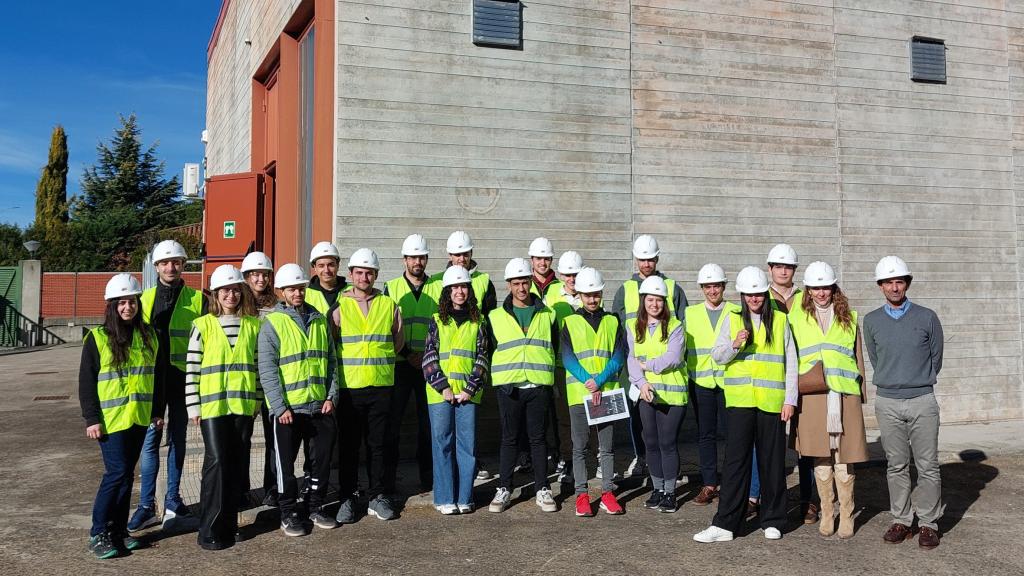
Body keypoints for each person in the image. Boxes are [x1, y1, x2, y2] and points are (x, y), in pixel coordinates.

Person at [694, 266, 797, 543]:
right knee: (735, 464)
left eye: (758, 294)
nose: (754, 299)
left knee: (772, 462)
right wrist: (735, 345)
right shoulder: (732, 319)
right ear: (742, 295)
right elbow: (718, 356)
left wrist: (790, 399)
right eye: (749, 294)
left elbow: (791, 362)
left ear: (765, 294)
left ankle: (773, 519)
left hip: (772, 403)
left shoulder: (780, 320)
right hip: (740, 402)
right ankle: (726, 524)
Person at [863, 256, 944, 549]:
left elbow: (936, 359)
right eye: (888, 282)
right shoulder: (871, 321)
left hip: (922, 400)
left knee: (928, 465)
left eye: (899, 281)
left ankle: (928, 524)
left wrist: (915, 380)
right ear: (880, 286)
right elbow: (875, 358)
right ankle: (901, 519)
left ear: (906, 283)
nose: (894, 287)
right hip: (888, 402)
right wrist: (894, 379)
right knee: (896, 465)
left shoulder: (927, 317)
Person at [80, 274, 163, 559]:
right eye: (122, 302)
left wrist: (157, 412)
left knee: (127, 476)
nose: (128, 307)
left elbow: (157, 377)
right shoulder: (98, 338)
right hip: (110, 420)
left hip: (139, 417)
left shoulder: (149, 335)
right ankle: (98, 532)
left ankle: (118, 531)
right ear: (112, 305)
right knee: (115, 474)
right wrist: (92, 419)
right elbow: (87, 382)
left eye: (132, 301)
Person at [128, 240, 205, 533]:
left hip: (183, 380)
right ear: (157, 266)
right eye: (165, 263)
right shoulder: (143, 300)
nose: (171, 267)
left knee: (178, 440)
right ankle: (146, 505)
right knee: (150, 443)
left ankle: (172, 498)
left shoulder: (198, 300)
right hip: (152, 384)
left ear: (183, 265)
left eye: (176, 262)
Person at [788, 261, 869, 539]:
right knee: (820, 453)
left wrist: (862, 393)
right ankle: (826, 511)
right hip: (813, 393)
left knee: (844, 456)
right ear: (808, 290)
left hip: (844, 393)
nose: (821, 293)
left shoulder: (850, 316)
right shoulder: (796, 316)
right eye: (815, 288)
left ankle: (846, 514)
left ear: (834, 288)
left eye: (826, 287)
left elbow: (858, 357)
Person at [258, 263, 339, 537]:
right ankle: (288, 512)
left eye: (301, 288)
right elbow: (267, 370)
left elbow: (331, 360)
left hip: (319, 406)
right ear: (281, 291)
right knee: (286, 466)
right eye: (292, 288)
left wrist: (332, 395)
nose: (298, 293)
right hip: (288, 411)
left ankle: (315, 506)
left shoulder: (318, 318)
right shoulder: (272, 323)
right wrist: (279, 407)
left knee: (320, 462)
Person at [185, 265, 263, 550]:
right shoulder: (202, 324)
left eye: (234, 290)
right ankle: (209, 528)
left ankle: (230, 524)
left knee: (236, 465)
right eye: (225, 291)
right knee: (216, 462)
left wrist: (256, 401)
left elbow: (256, 366)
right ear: (216, 294)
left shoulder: (253, 325)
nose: (230, 295)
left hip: (242, 406)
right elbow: (192, 368)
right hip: (212, 407)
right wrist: (193, 406)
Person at [333, 248, 404, 523]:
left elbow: (397, 342)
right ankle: (348, 498)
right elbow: (333, 345)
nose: (364, 277)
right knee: (349, 446)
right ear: (350, 274)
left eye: (369, 272)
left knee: (379, 445)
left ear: (376, 275)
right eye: (359, 272)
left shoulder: (389, 305)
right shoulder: (339, 308)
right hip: (350, 388)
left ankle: (377, 496)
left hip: (381, 386)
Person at [613, 235, 688, 478]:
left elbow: (682, 325)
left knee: (665, 435)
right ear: (636, 259)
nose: (646, 264)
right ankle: (641, 458)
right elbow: (617, 331)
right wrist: (633, 370)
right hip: (635, 369)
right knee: (640, 421)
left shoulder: (673, 287)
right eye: (642, 259)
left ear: (657, 258)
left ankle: (664, 473)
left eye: (650, 259)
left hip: (667, 373)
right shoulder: (625, 290)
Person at [487, 258, 559, 513]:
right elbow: (490, 349)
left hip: (538, 386)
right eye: (516, 283)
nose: (521, 288)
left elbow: (554, 346)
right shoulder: (495, 317)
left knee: (538, 439)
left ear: (531, 283)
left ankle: (542, 489)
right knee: (509, 439)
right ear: (508, 285)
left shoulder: (547, 313)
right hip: (509, 387)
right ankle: (504, 488)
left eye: (525, 282)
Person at [421, 266, 490, 514]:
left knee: (467, 446)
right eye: (454, 288)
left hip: (468, 395)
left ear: (469, 290)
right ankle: (444, 498)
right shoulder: (437, 320)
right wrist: (443, 388)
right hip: (441, 394)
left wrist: (470, 389)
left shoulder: (478, 321)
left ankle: (465, 497)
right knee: (442, 444)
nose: (459, 292)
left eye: (463, 287)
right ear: (447, 292)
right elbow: (429, 358)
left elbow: (483, 357)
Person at [561, 267, 626, 516]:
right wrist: (589, 381)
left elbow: (619, 356)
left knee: (607, 448)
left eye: (596, 294)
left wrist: (599, 380)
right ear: (579, 294)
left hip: (605, 391)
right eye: (587, 294)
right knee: (580, 447)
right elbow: (567, 358)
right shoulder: (569, 322)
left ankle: (607, 493)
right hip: (580, 393)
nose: (592, 299)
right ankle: (581, 495)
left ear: (601, 293)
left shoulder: (613, 321)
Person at [383, 234, 439, 493]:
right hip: (400, 364)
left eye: (421, 257)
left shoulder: (439, 287)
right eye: (413, 257)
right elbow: (386, 327)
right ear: (404, 259)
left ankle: (428, 477)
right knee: (392, 424)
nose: (418, 261)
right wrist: (407, 353)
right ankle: (389, 478)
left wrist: (425, 356)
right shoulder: (391, 287)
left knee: (428, 425)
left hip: (430, 365)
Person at [627, 276, 688, 513]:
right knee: (650, 442)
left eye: (659, 300)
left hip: (672, 396)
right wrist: (641, 382)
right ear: (643, 301)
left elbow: (673, 357)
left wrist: (647, 366)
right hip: (646, 393)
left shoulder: (675, 326)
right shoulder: (633, 326)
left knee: (667, 442)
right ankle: (658, 488)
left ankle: (671, 493)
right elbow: (631, 358)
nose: (655, 305)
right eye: (650, 300)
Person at [765, 242, 816, 523]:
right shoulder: (759, 295)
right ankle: (756, 496)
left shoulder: (806, 297)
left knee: (804, 442)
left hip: (803, 376)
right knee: (764, 444)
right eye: (778, 266)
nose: (783, 271)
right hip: (770, 377)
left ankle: (808, 499)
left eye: (788, 266)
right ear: (770, 269)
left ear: (794, 270)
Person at [686, 264, 740, 506]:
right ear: (702, 288)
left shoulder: (736, 312)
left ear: (723, 287)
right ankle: (709, 484)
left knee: (732, 434)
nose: (712, 290)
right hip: (702, 382)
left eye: (716, 285)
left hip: (729, 381)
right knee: (705, 434)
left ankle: (730, 482)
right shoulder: (690, 314)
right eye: (708, 286)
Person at [241, 251, 279, 507]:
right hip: (244, 379)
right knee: (242, 439)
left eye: (264, 273)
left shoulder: (276, 304)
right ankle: (241, 489)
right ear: (246, 277)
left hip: (271, 379)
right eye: (254, 274)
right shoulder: (237, 302)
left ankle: (273, 488)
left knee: (273, 439)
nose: (260, 278)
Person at [306, 241, 349, 315]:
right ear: (314, 267)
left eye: (331, 265)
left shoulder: (352, 292)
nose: (326, 270)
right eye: (321, 266)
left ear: (338, 265)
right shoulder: (305, 295)